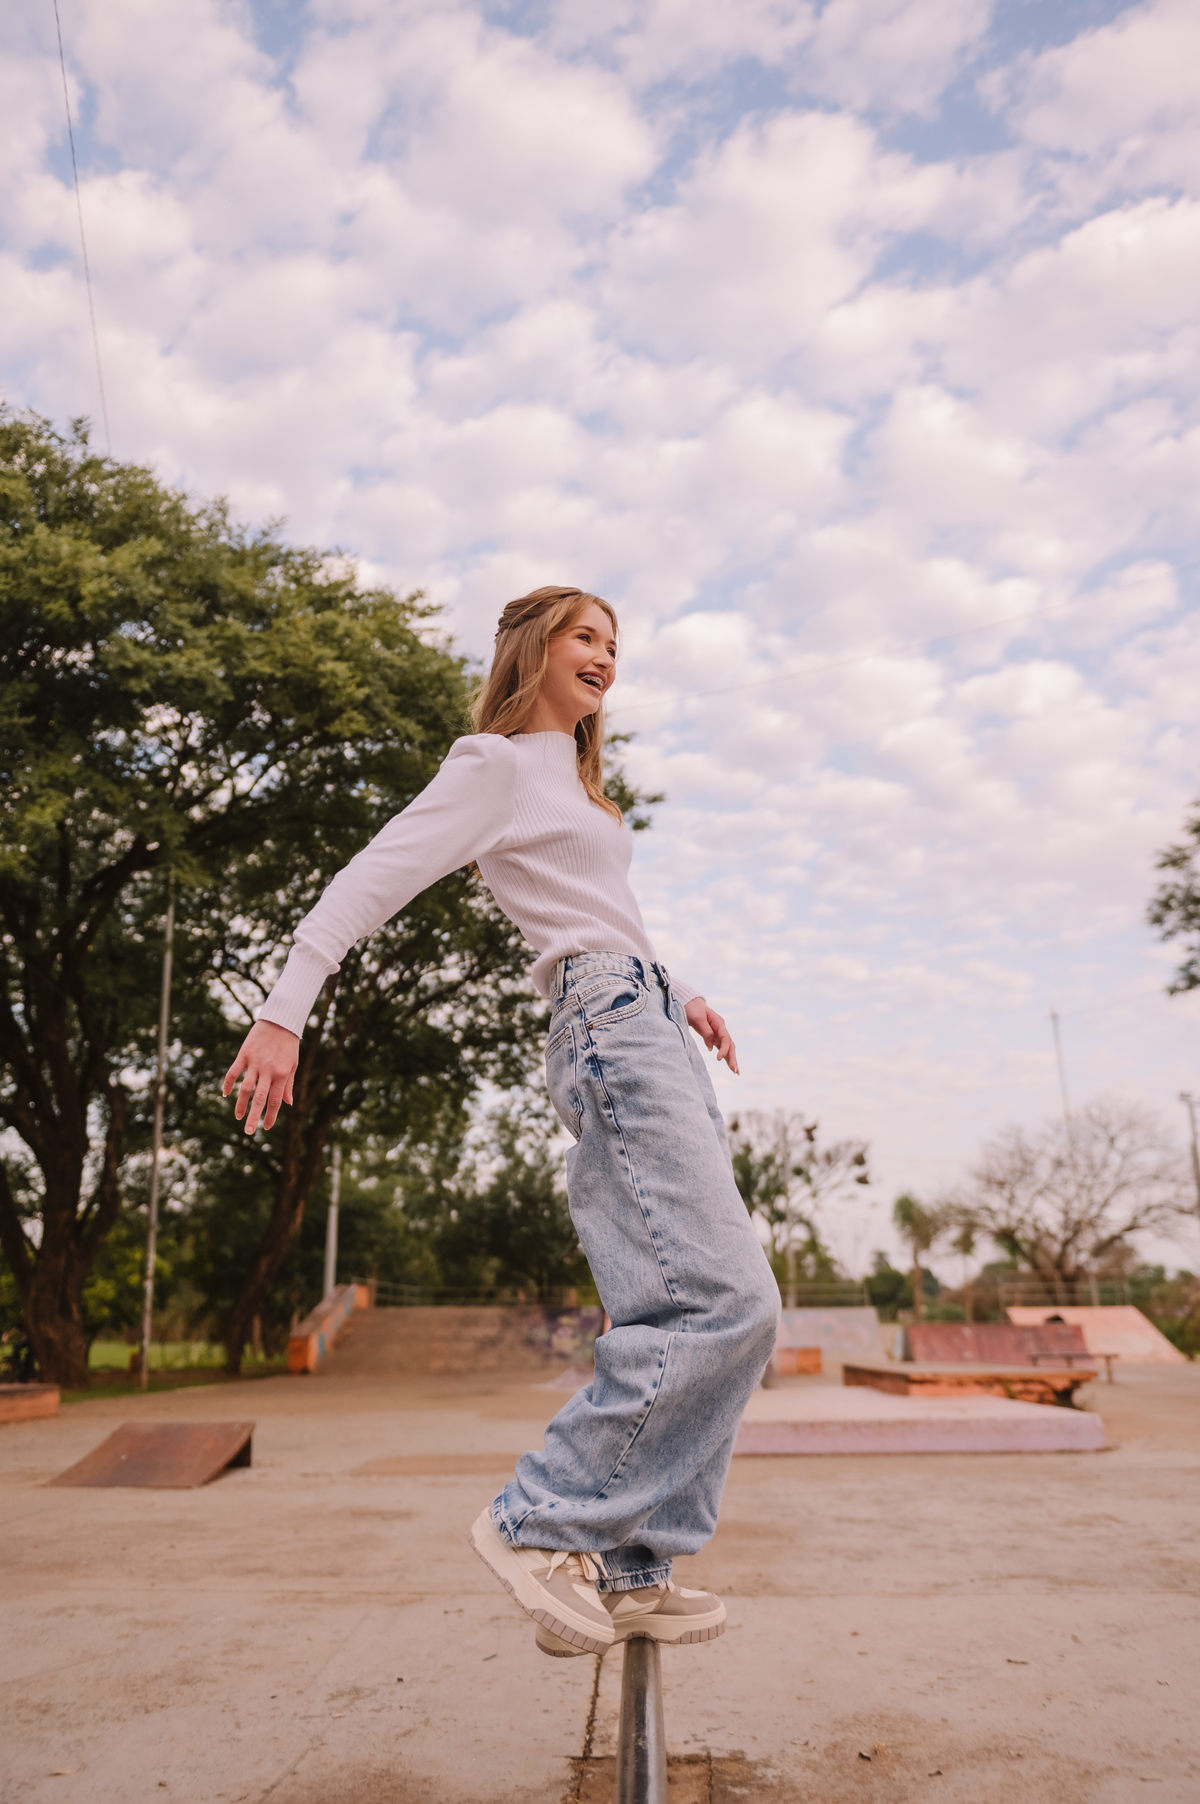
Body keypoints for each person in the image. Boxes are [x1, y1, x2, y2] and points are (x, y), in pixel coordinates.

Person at [224, 585, 780, 1657]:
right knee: (731, 1301)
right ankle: (539, 1520)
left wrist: (685, 989)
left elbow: (607, 916)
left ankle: (633, 1564)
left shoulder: (573, 788)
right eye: (585, 635)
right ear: (534, 647)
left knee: (685, 1307)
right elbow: (369, 878)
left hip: (648, 1015)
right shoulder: (492, 765)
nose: (605, 656)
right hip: (610, 1025)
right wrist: (283, 1010)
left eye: (615, 643)